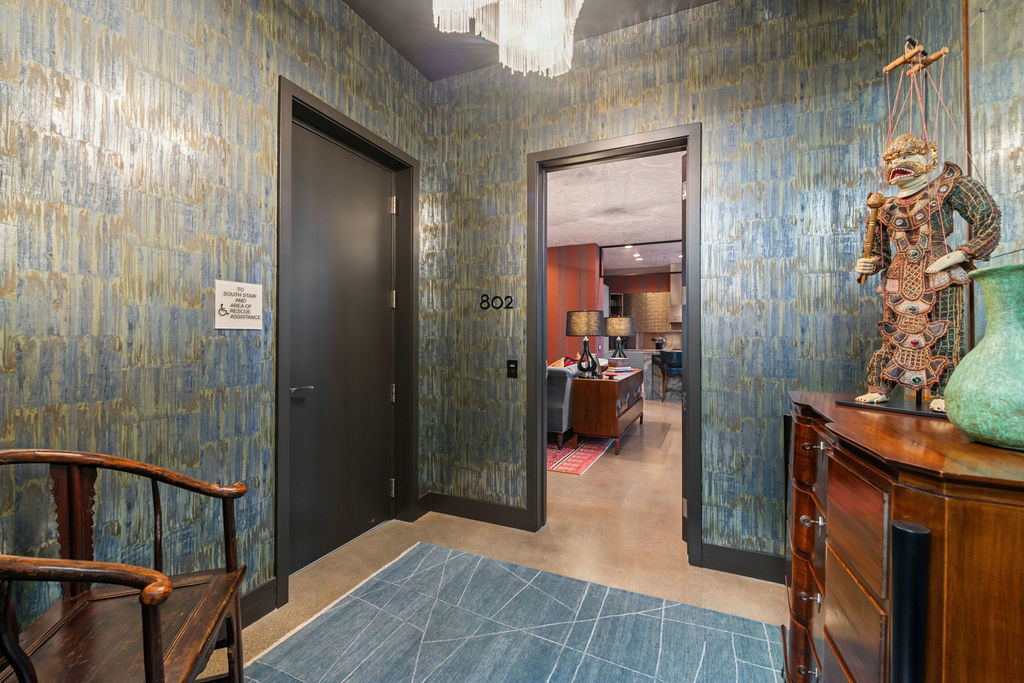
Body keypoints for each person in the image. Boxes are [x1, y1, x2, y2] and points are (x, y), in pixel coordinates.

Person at [854, 134, 1000, 411]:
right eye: (891, 160)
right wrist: (870, 264)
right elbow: (879, 253)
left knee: (946, 333)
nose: (897, 164)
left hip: (939, 273)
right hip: (899, 277)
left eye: (906, 156)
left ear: (929, 158)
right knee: (893, 333)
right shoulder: (883, 206)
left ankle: (946, 390)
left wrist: (962, 253)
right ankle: (880, 385)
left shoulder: (948, 187)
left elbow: (988, 216)